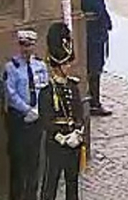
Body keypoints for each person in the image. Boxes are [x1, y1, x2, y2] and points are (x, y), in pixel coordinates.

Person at [39, 23, 85, 200]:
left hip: (73, 140)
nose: (68, 67)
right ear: (57, 65)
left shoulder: (72, 86)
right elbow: (46, 119)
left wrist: (78, 133)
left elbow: (79, 112)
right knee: (51, 182)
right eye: (65, 63)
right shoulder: (47, 90)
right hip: (57, 143)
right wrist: (62, 137)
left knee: (72, 184)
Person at [5, 30, 49, 200]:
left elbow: (44, 89)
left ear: (34, 45)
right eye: (23, 45)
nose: (26, 49)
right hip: (19, 120)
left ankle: (32, 195)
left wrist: (38, 110)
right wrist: (26, 110)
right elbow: (11, 93)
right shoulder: (12, 67)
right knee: (18, 162)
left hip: (36, 119)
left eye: (29, 45)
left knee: (34, 161)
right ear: (19, 45)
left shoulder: (40, 66)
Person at [80, 0, 113, 117]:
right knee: (94, 69)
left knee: (93, 69)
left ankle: (93, 99)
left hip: (94, 34)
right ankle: (94, 101)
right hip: (94, 36)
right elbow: (99, 12)